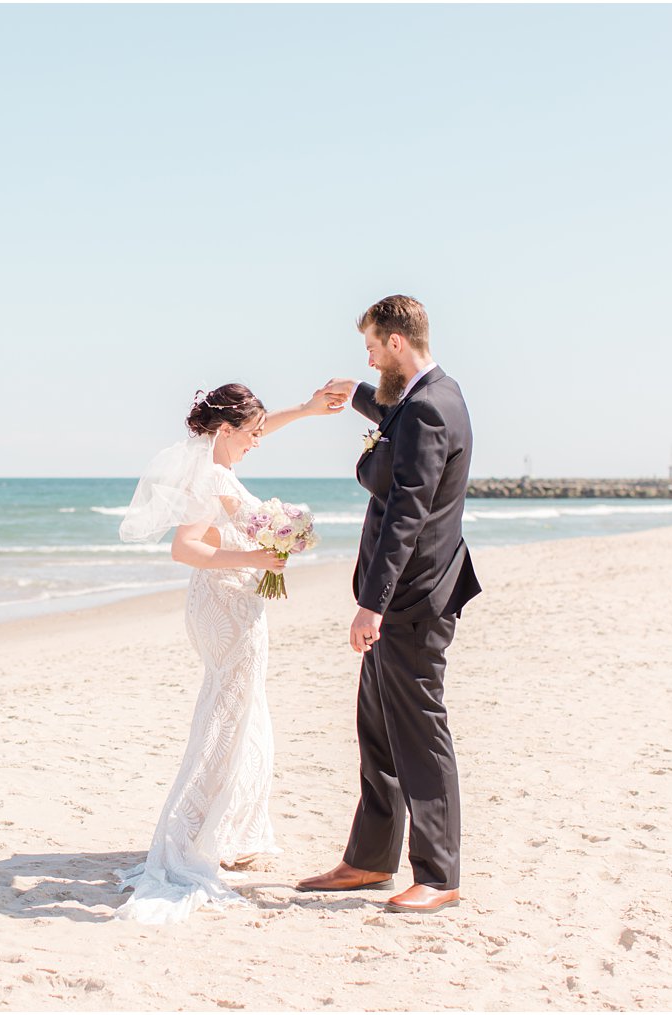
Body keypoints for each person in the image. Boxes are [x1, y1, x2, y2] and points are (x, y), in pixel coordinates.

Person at [115, 382, 341, 923]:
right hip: (226, 605)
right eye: (252, 433)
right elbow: (185, 548)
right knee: (227, 713)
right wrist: (262, 556)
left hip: (227, 601)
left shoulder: (215, 465)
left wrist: (308, 411)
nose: (258, 442)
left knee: (242, 709)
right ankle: (193, 833)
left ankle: (229, 827)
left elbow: (254, 431)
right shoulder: (213, 476)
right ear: (224, 430)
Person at [299, 294, 482, 914]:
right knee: (377, 731)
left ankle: (438, 876)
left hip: (412, 599)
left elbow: (407, 511)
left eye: (374, 347)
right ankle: (369, 860)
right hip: (401, 596)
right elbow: (388, 410)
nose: (371, 356)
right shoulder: (423, 395)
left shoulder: (430, 408)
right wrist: (352, 393)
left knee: (419, 735)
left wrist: (371, 606)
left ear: (397, 343)